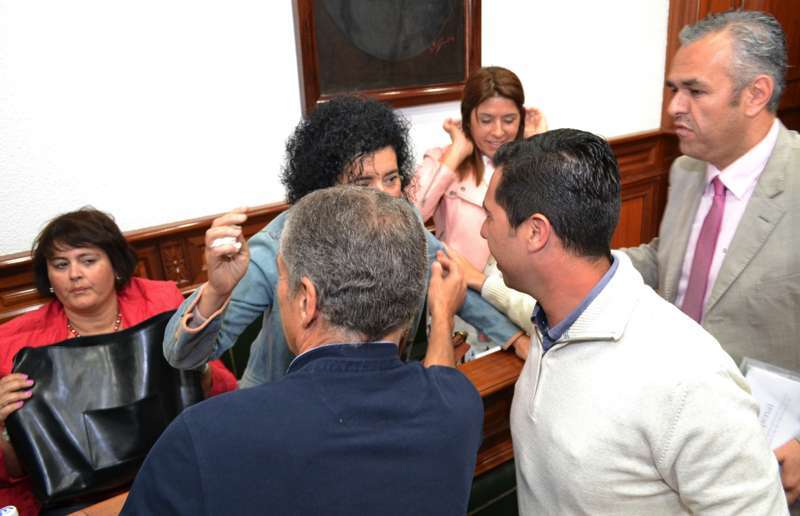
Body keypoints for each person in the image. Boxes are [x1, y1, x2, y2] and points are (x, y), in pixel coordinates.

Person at [122, 186, 484, 515]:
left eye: (283, 278)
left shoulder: (203, 436)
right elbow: (442, 379)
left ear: (306, 301)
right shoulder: (459, 406)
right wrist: (442, 314)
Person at [482, 129, 786, 514]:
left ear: (535, 232)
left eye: (489, 216)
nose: (483, 230)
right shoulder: (556, 315)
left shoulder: (691, 380)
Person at [163, 95, 528, 388]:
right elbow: (184, 356)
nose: (383, 196)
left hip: (375, 396)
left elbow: (452, 279)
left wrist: (514, 339)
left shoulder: (405, 225)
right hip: (283, 409)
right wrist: (215, 291)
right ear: (325, 186)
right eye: (362, 184)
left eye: (391, 179)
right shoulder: (276, 247)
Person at [621, 10, 800, 505]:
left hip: (764, 460)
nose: (674, 107)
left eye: (695, 91)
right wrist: (586, 263)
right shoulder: (685, 171)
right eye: (673, 89)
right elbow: (667, 262)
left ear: (756, 94)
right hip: (670, 433)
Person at [0, 208, 237, 515]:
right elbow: (16, 472)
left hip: (175, 470)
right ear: (49, 276)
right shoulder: (16, 344)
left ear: (115, 265)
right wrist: (4, 426)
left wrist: (196, 368)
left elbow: (223, 390)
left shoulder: (160, 304)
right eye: (60, 264)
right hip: (78, 498)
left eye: (87, 260)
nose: (74, 274)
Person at [413, 66, 547, 272]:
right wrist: (456, 152)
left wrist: (539, 144)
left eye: (509, 120)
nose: (498, 132)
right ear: (468, 119)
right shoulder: (444, 159)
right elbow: (410, 216)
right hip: (458, 283)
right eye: (486, 120)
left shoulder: (530, 161)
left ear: (520, 118)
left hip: (518, 286)